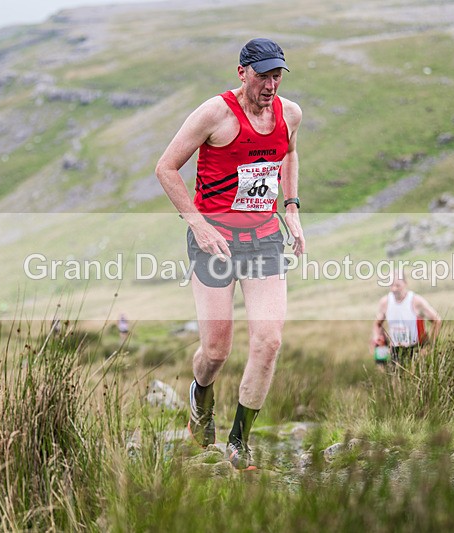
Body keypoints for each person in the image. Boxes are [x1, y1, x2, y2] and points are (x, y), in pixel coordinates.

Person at [155, 38, 304, 470]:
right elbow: (166, 167)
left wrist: (291, 208)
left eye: (278, 76)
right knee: (216, 351)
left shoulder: (289, 114)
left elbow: (289, 154)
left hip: (263, 239)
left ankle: (239, 440)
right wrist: (197, 224)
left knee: (269, 340)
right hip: (214, 240)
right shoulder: (214, 114)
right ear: (243, 73)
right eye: (263, 76)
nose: (271, 85)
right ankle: (200, 395)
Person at [372, 275, 442, 370]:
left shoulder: (416, 301)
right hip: (395, 349)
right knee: (395, 382)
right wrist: (378, 340)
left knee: (415, 381)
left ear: (405, 284)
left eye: (397, 285)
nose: (394, 289)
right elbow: (377, 324)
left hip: (415, 348)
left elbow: (437, 320)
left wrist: (430, 347)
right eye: (391, 285)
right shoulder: (385, 302)